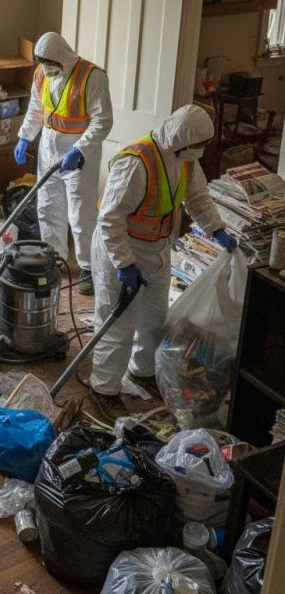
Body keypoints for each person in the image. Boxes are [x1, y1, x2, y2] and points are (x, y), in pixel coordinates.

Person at [88, 104, 238, 421]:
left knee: (154, 320)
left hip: (157, 250)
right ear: (182, 138)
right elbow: (110, 219)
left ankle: (143, 371)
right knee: (118, 324)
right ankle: (104, 388)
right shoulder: (136, 162)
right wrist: (124, 263)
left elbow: (197, 198)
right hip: (122, 249)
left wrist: (216, 228)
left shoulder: (185, 161)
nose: (201, 150)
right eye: (198, 144)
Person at [14, 33, 113, 295]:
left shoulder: (92, 77)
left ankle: (88, 268)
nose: (46, 69)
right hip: (49, 146)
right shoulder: (41, 74)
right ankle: (53, 258)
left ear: (62, 58)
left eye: (50, 64)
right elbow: (36, 109)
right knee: (48, 206)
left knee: (81, 213)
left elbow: (103, 121)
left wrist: (80, 150)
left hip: (79, 151)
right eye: (43, 64)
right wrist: (25, 137)